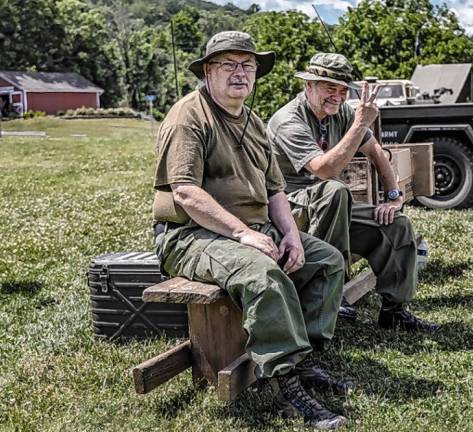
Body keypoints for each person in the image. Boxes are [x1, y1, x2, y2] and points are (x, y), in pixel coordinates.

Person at [152, 32, 349, 429]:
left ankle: (302, 358)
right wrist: (245, 234)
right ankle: (285, 385)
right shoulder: (188, 117)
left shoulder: (255, 122)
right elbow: (186, 193)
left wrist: (291, 234)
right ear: (208, 71)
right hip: (190, 234)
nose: (240, 73)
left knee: (327, 261)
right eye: (229, 65)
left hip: (251, 227)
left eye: (248, 65)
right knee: (263, 274)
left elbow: (275, 189)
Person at [267, 53, 440, 332]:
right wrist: (360, 124)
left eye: (343, 90)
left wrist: (393, 198)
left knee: (395, 225)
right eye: (329, 88)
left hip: (330, 207)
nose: (337, 96)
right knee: (335, 190)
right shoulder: (288, 120)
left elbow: (377, 154)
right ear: (308, 86)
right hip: (287, 211)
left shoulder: (344, 113)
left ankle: (394, 312)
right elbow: (324, 170)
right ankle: (331, 288)